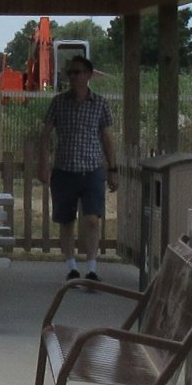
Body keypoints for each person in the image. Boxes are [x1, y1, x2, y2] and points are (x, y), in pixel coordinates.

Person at [45, 53, 119, 281]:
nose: (73, 77)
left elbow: (107, 138)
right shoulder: (58, 102)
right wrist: (41, 163)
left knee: (92, 219)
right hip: (64, 170)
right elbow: (45, 134)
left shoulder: (100, 104)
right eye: (70, 73)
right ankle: (71, 267)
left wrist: (113, 169)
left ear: (88, 75)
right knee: (66, 220)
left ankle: (92, 268)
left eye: (77, 72)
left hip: (92, 170)